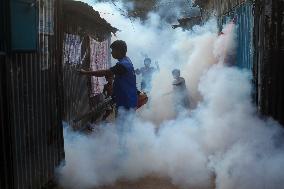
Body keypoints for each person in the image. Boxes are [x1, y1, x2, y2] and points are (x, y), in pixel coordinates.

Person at [78, 40, 137, 114]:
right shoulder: (127, 61)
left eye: (113, 50)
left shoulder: (122, 65)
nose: (111, 52)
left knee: (123, 124)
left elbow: (105, 72)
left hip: (125, 102)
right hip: (128, 100)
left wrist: (85, 72)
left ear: (119, 50)